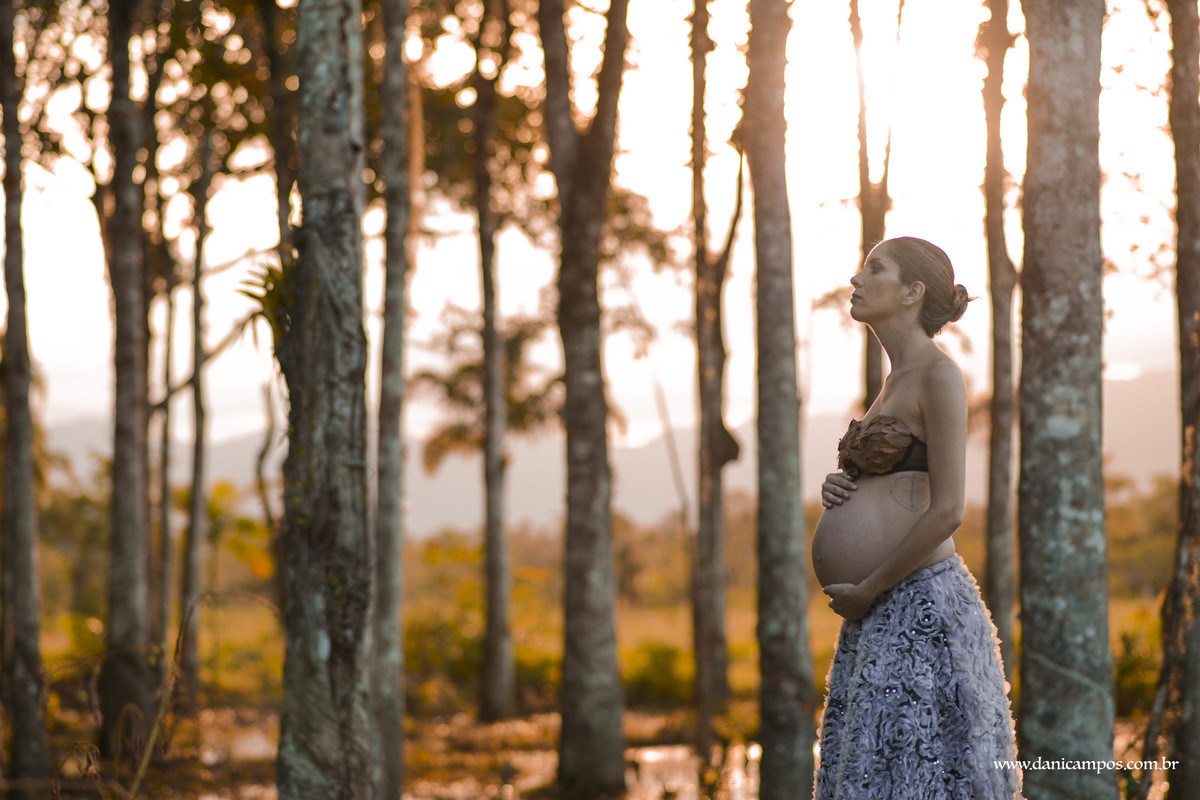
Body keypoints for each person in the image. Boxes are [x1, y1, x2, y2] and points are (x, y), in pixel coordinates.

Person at [810, 237, 1022, 799]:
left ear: (911, 292)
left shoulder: (938, 376)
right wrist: (842, 485)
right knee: (874, 768)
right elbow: (899, 481)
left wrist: (871, 587)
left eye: (873, 269)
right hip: (877, 610)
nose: (856, 279)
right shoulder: (892, 381)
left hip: (918, 604)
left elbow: (948, 507)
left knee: (917, 769)